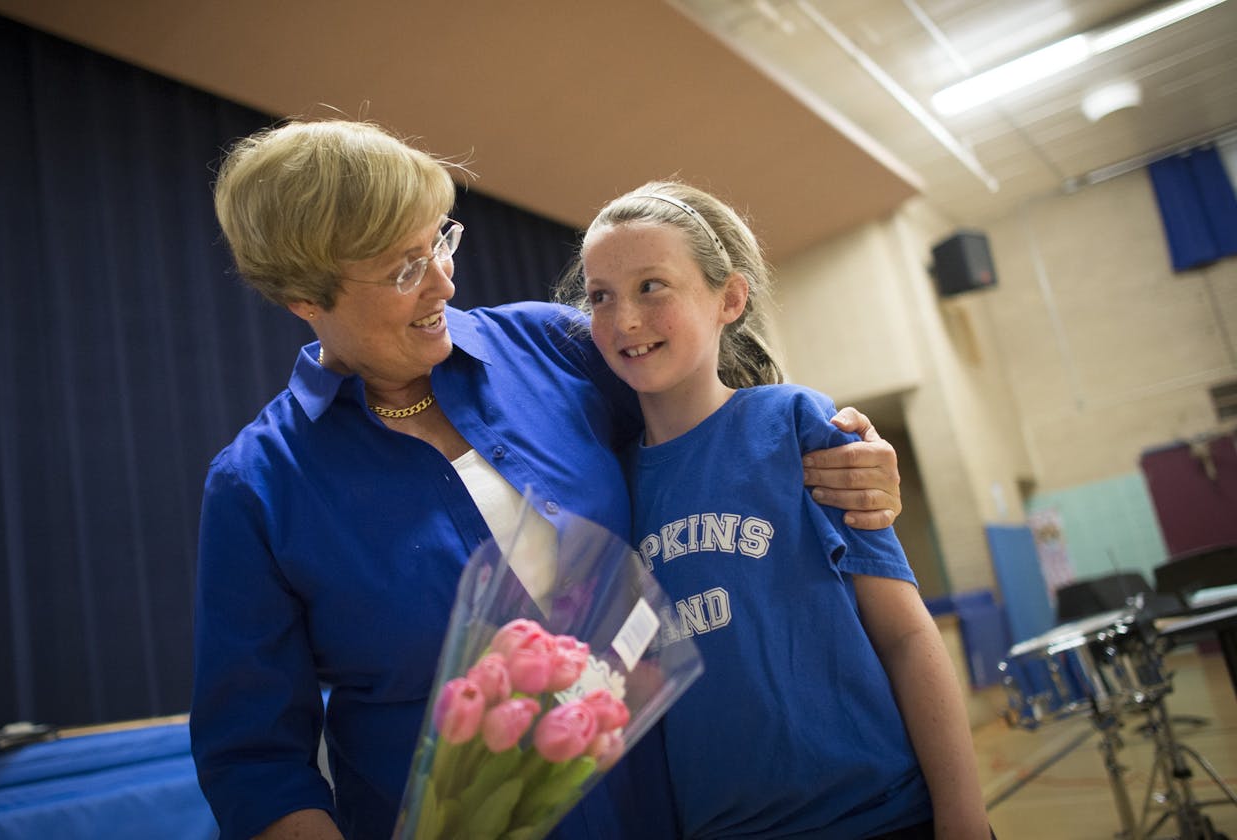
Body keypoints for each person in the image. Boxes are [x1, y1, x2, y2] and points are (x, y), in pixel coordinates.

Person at [191, 119, 907, 840]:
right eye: (404, 269)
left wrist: (843, 458)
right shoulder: (259, 485)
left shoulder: (553, 347)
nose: (445, 280)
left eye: (440, 239)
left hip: (685, 812)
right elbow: (254, 759)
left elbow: (723, 435)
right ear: (305, 301)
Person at [556, 179, 989, 839]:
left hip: (882, 818)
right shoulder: (605, 485)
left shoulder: (796, 423)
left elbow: (904, 636)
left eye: (652, 286)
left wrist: (963, 820)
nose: (626, 320)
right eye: (601, 297)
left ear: (729, 298)